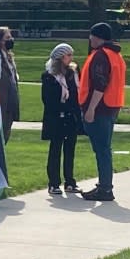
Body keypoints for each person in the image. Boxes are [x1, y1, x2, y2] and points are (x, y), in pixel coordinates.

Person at [79, 22, 126, 202]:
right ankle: (104, 186)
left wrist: (90, 109)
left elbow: (100, 84)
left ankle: (105, 188)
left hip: (100, 108)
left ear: (98, 37)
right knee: (104, 148)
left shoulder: (100, 55)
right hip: (112, 107)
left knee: (102, 150)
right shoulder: (116, 55)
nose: (90, 39)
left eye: (92, 35)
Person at [41, 43, 82, 196]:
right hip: (56, 118)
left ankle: (70, 181)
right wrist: (61, 108)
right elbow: (48, 99)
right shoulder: (49, 76)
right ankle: (53, 183)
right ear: (60, 57)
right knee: (55, 150)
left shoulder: (73, 73)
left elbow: (77, 93)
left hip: (71, 117)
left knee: (70, 149)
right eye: (68, 55)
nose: (71, 58)